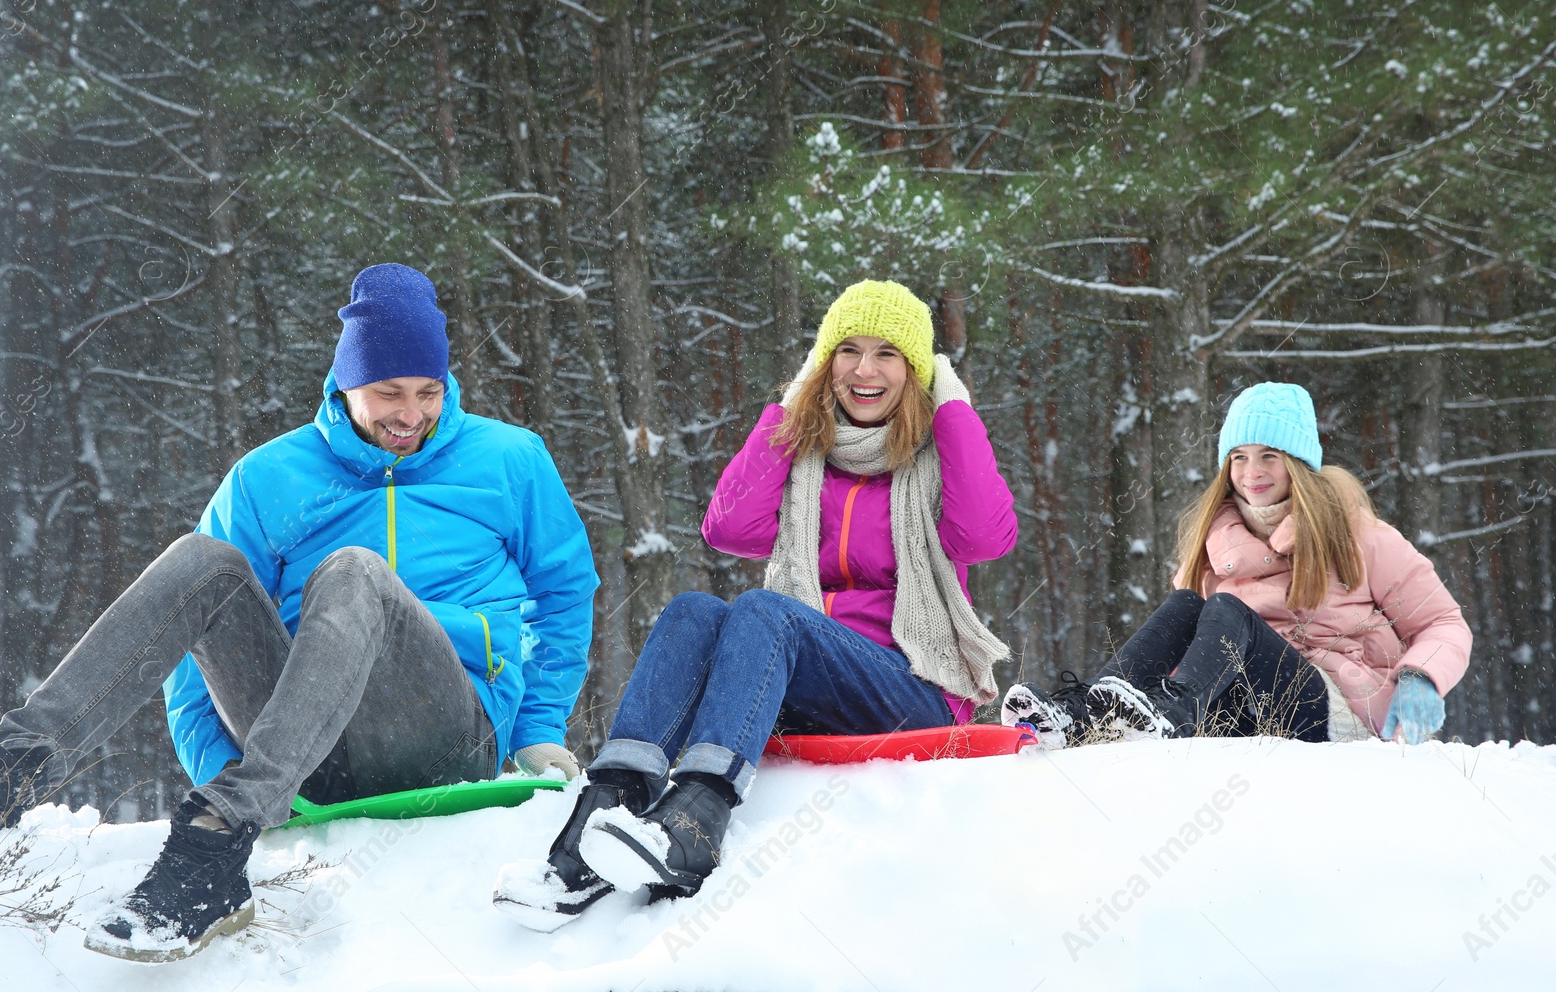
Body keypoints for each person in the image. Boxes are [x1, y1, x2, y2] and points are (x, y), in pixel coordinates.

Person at [0, 263, 598, 962]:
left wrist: (537, 729)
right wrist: (213, 759)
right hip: (300, 742)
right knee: (202, 559)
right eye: (388, 392)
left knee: (354, 571)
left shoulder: (509, 460)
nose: (410, 415)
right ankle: (6, 772)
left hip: (445, 731)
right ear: (346, 384)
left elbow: (564, 595)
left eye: (428, 393)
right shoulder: (270, 477)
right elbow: (194, 642)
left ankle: (217, 839)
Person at [494, 278, 1018, 930]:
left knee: (765, 610)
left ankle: (694, 823)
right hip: (811, 673)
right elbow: (728, 529)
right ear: (824, 366)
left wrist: (955, 411)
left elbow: (986, 536)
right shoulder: (808, 452)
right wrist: (791, 407)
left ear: (915, 372)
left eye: (888, 354)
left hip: (912, 685)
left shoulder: (939, 455)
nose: (864, 369)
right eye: (847, 350)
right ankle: (598, 824)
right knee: (692, 610)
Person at [1002, 381, 1472, 749]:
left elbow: (1443, 622)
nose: (1253, 472)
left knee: (1226, 608)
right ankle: (1084, 717)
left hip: (1336, 710)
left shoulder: (1358, 534)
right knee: (1188, 603)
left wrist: (1420, 677)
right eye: (1239, 458)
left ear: (1299, 464)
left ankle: (1168, 717)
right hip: (1237, 707)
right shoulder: (1214, 542)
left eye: (1270, 456)